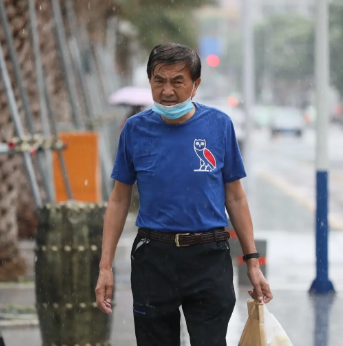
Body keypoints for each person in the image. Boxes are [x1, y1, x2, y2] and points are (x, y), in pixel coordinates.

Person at [95, 43, 273, 346]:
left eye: (177, 81)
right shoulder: (134, 130)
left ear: (195, 85)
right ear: (150, 81)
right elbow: (119, 199)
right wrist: (105, 267)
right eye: (159, 80)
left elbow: (236, 198)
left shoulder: (219, 126)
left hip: (209, 257)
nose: (167, 90)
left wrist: (252, 262)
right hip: (153, 258)